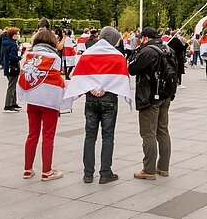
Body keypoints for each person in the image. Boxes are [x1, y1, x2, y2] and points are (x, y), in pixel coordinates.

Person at [63, 26, 132, 184]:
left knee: (89, 136)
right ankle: (105, 172)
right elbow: (122, 78)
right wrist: (105, 88)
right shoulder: (118, 56)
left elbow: (80, 76)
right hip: (109, 100)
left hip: (90, 99)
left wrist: (92, 88)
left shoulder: (87, 54)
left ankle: (88, 173)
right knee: (108, 137)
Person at [18, 29, 67, 181]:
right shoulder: (54, 57)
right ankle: (47, 171)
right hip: (49, 100)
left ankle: (27, 169)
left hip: (32, 99)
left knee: (32, 134)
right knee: (48, 135)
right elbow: (56, 79)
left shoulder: (28, 55)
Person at [128, 26, 172, 180]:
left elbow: (132, 68)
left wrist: (136, 51)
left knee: (148, 133)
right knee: (163, 131)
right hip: (166, 96)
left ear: (146, 38)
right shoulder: (167, 48)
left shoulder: (148, 51)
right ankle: (163, 167)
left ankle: (149, 170)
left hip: (150, 97)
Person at [2, 27, 22, 113]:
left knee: (12, 85)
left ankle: (13, 103)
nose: (18, 35)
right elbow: (13, 57)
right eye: (17, 34)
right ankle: (8, 105)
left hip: (8, 66)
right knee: (11, 86)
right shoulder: (13, 44)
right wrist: (19, 57)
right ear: (13, 35)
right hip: (13, 67)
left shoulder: (6, 43)